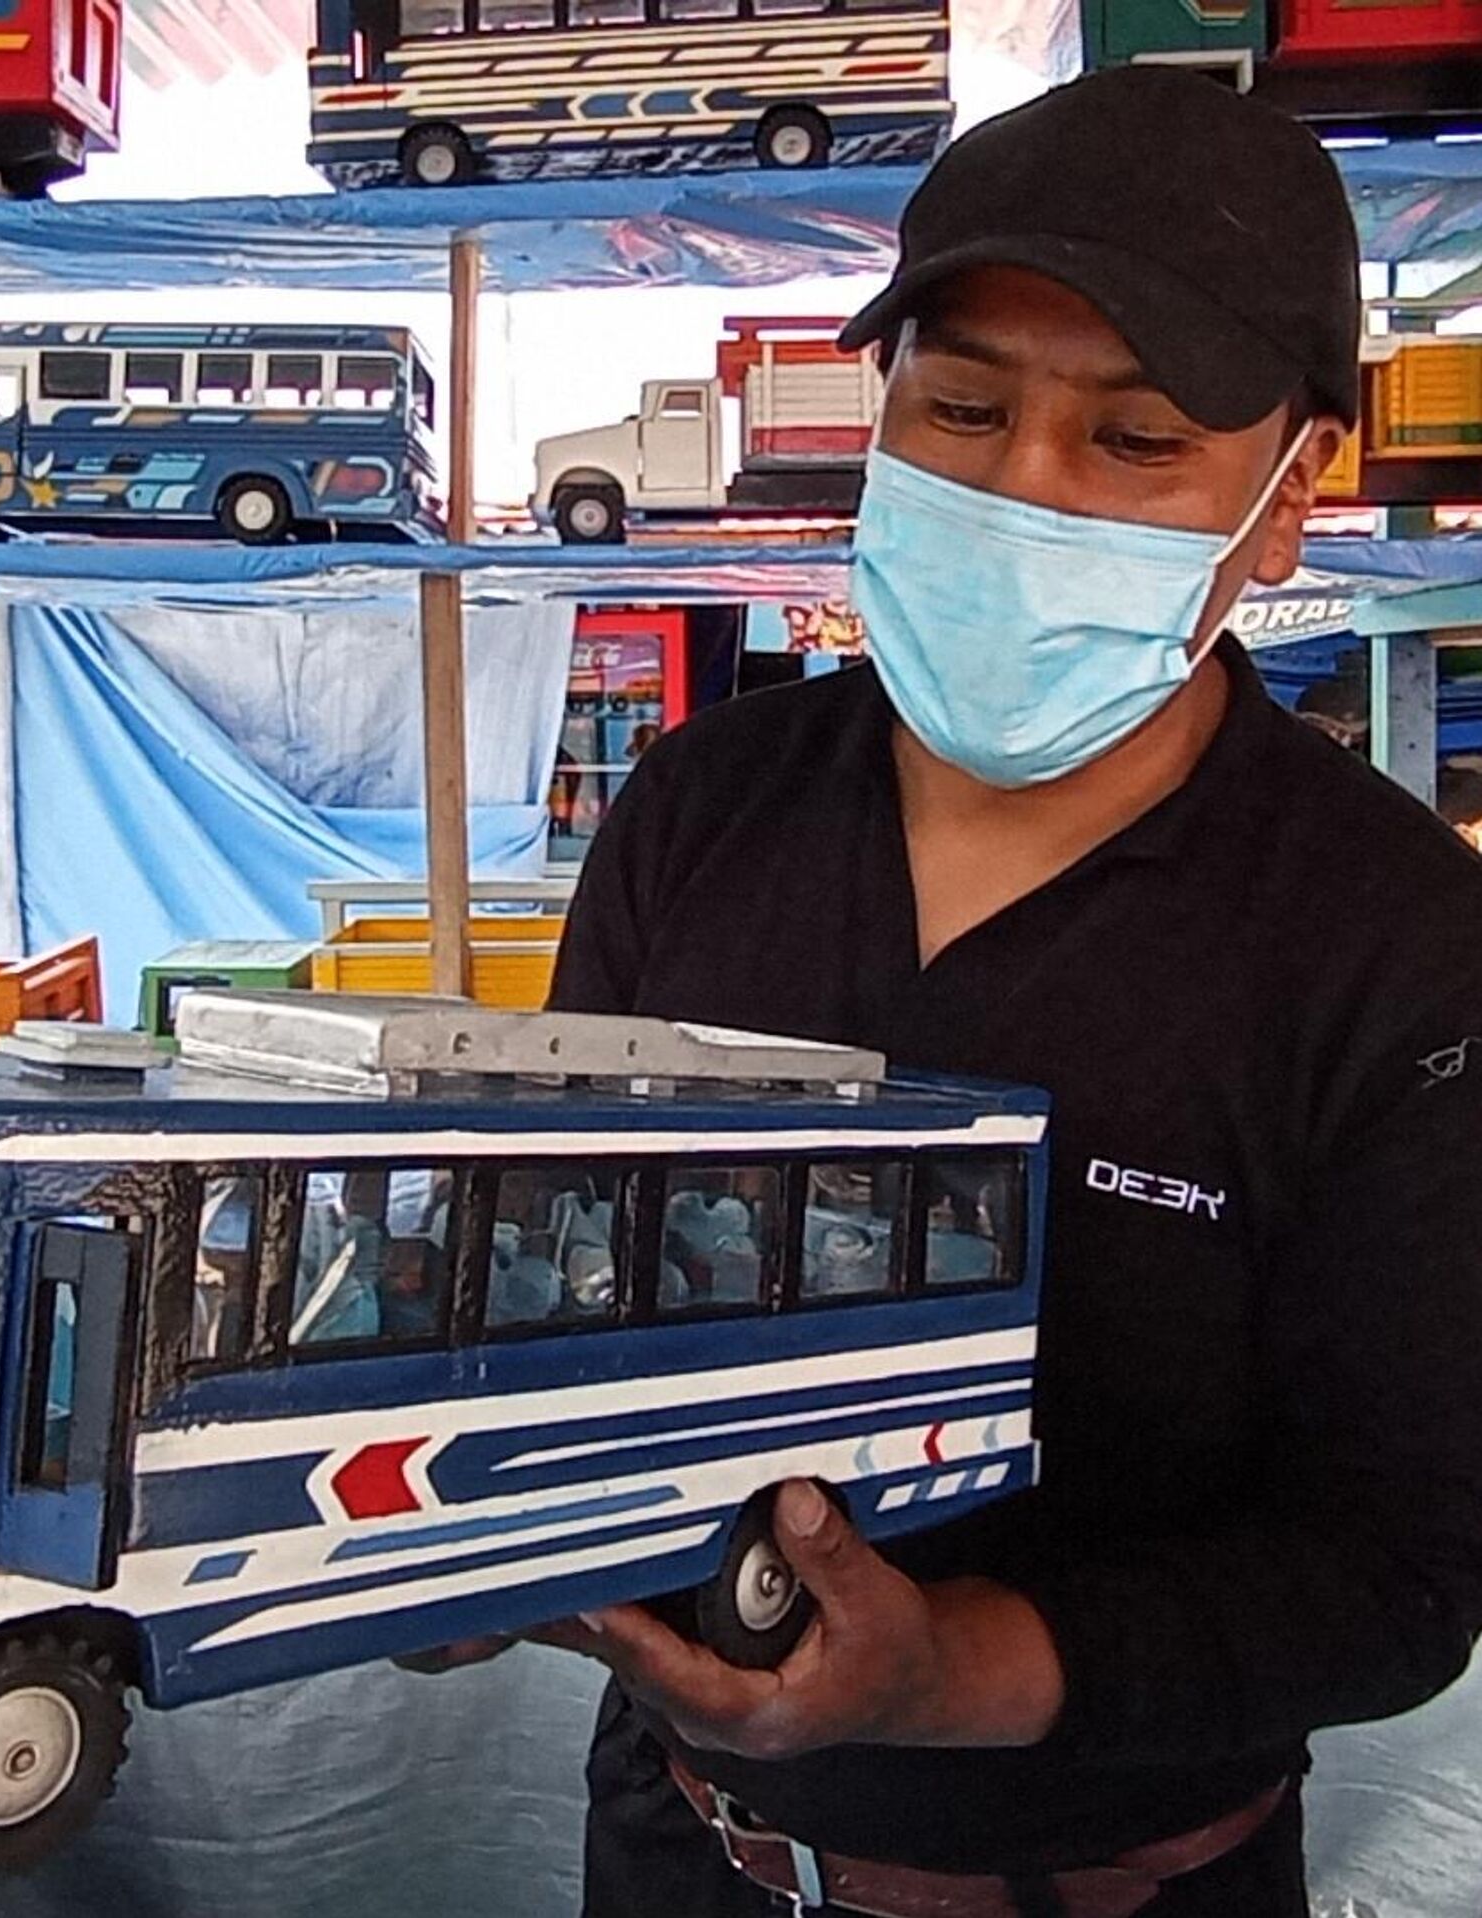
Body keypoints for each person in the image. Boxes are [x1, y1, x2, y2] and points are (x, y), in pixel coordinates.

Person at [530, 67, 1482, 1918]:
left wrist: (954, 1667)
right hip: (683, 1853)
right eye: (962, 407)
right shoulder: (698, 812)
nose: (1023, 484)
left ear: (1290, 495)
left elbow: (1402, 1568)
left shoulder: (1399, 943)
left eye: (1135, 441)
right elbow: (555, 1270)